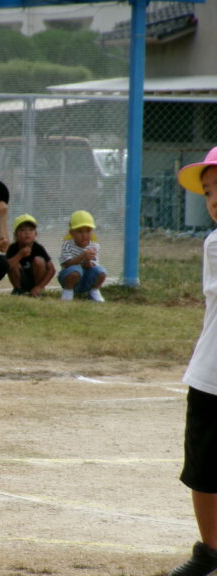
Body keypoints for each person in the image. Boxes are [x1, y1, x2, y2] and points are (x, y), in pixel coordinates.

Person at [167, 147, 217, 576]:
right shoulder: (215, 243)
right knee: (203, 470)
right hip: (211, 378)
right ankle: (211, 551)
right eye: (208, 191)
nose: (214, 197)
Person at [57, 210, 106, 302]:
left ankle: (94, 291)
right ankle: (68, 292)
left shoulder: (94, 246)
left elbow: (91, 267)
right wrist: (83, 255)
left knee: (101, 272)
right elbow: (67, 265)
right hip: (69, 279)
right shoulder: (67, 245)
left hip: (86, 280)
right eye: (80, 232)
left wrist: (87, 260)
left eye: (88, 231)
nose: (84, 235)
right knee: (75, 270)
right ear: (71, 233)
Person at [6, 214, 55, 297]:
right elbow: (6, 266)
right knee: (13, 263)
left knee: (38, 260)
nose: (27, 233)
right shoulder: (12, 248)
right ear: (16, 234)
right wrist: (19, 255)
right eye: (22, 230)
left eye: (31, 229)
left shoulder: (38, 248)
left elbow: (51, 269)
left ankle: (38, 291)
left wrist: (39, 287)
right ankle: (18, 290)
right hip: (20, 279)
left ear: (36, 234)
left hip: (36, 281)